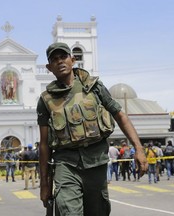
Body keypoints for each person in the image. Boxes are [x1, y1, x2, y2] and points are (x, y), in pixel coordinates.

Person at [37, 42, 148, 216]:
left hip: (96, 162)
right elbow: (44, 144)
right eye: (54, 59)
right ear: (49, 67)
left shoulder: (94, 87)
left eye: (63, 57)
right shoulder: (45, 99)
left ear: (73, 60)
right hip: (66, 164)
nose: (60, 61)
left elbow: (120, 116)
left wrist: (139, 149)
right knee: (68, 211)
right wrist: (44, 184)